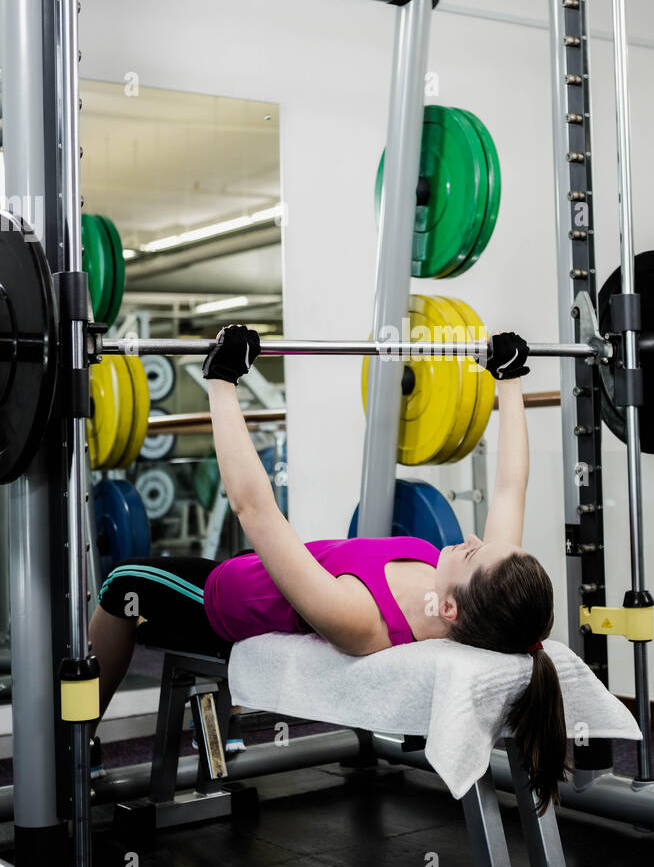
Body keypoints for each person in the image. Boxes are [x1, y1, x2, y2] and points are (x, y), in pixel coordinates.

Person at [88, 326, 571, 811]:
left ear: (449, 608)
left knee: (122, 583)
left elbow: (253, 507)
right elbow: (511, 487)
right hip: (248, 568)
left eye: (472, 552)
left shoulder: (361, 618)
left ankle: (77, 740)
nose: (471, 540)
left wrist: (222, 379)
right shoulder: (482, 592)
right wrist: (509, 380)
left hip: (221, 600)